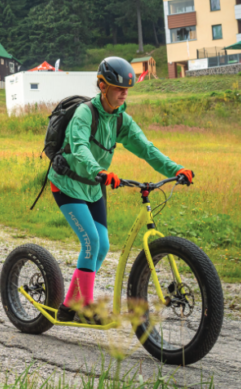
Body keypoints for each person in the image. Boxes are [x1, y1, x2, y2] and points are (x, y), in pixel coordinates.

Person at [49, 57, 193, 323]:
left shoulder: (120, 120)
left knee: (101, 246)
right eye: (118, 88)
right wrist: (99, 171)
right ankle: (86, 306)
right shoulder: (84, 113)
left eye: (127, 89)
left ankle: (69, 305)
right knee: (91, 241)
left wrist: (176, 169)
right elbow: (79, 148)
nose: (124, 93)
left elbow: (146, 149)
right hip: (68, 183)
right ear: (102, 86)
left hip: (93, 188)